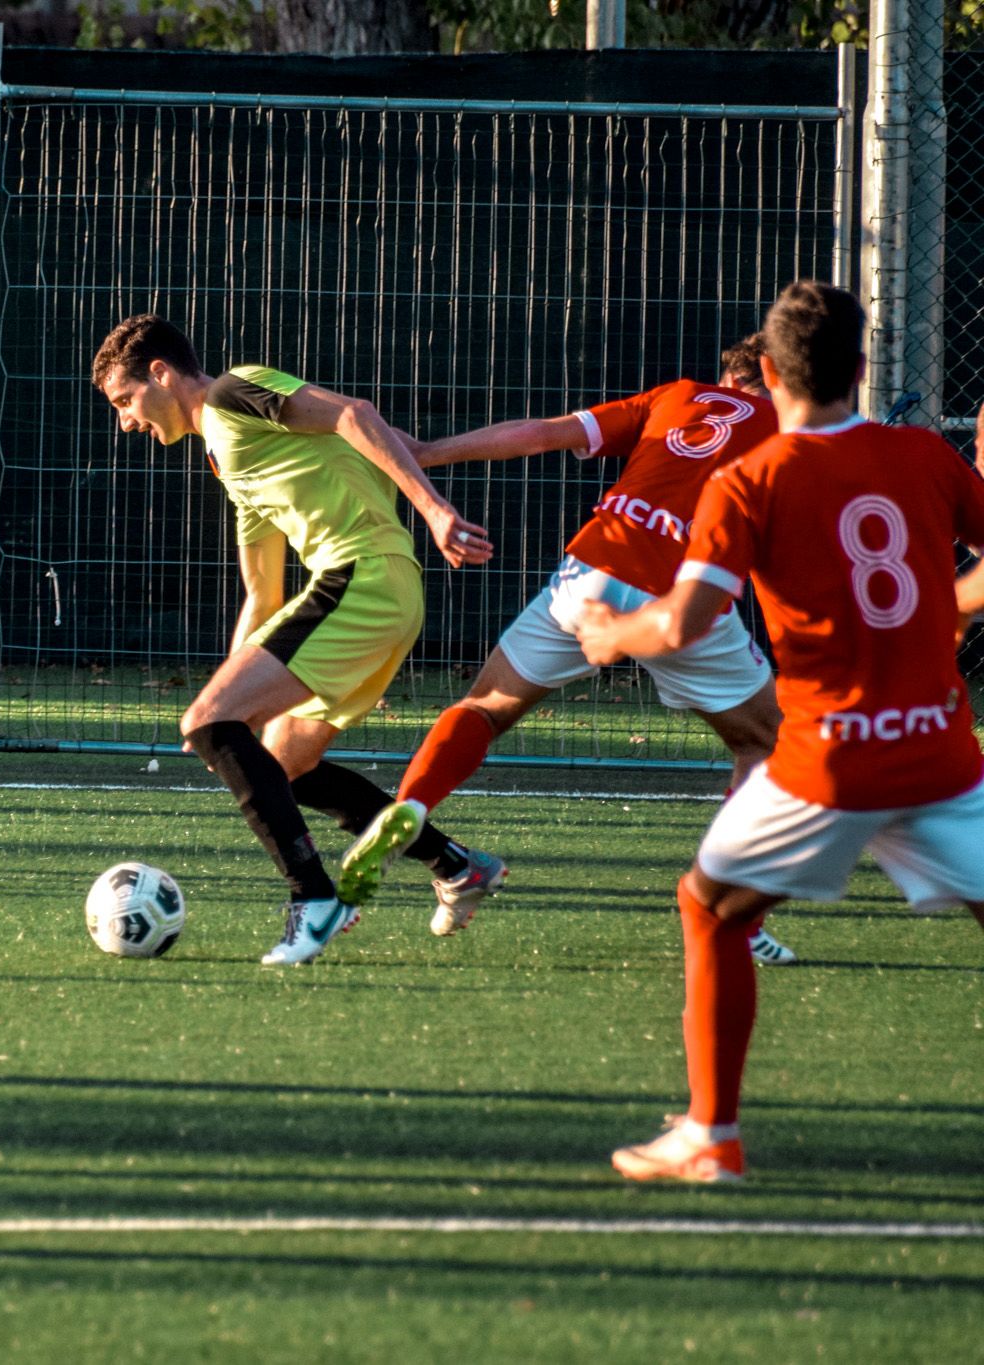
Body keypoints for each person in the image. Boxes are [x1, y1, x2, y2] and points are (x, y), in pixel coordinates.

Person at [575, 280, 984, 1183]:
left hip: (829, 762)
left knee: (711, 906)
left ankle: (712, 1133)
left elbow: (681, 623)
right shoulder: (921, 455)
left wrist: (610, 635)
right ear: (863, 366)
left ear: (767, 372)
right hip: (942, 755)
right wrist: (948, 610)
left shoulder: (749, 478)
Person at [336, 335, 800, 965]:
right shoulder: (796, 432)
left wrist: (427, 452)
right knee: (763, 743)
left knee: (484, 708)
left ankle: (412, 804)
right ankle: (730, 912)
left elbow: (541, 432)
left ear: (731, 375)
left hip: (593, 571)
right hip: (683, 593)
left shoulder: (679, 396)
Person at [91, 314, 502, 966]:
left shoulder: (233, 392)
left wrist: (435, 510)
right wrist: (227, 706)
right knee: (278, 763)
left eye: (125, 401)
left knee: (211, 724)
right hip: (382, 592)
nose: (125, 422)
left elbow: (353, 414)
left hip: (359, 580)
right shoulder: (227, 452)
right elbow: (263, 594)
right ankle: (455, 865)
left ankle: (314, 900)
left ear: (162, 374)